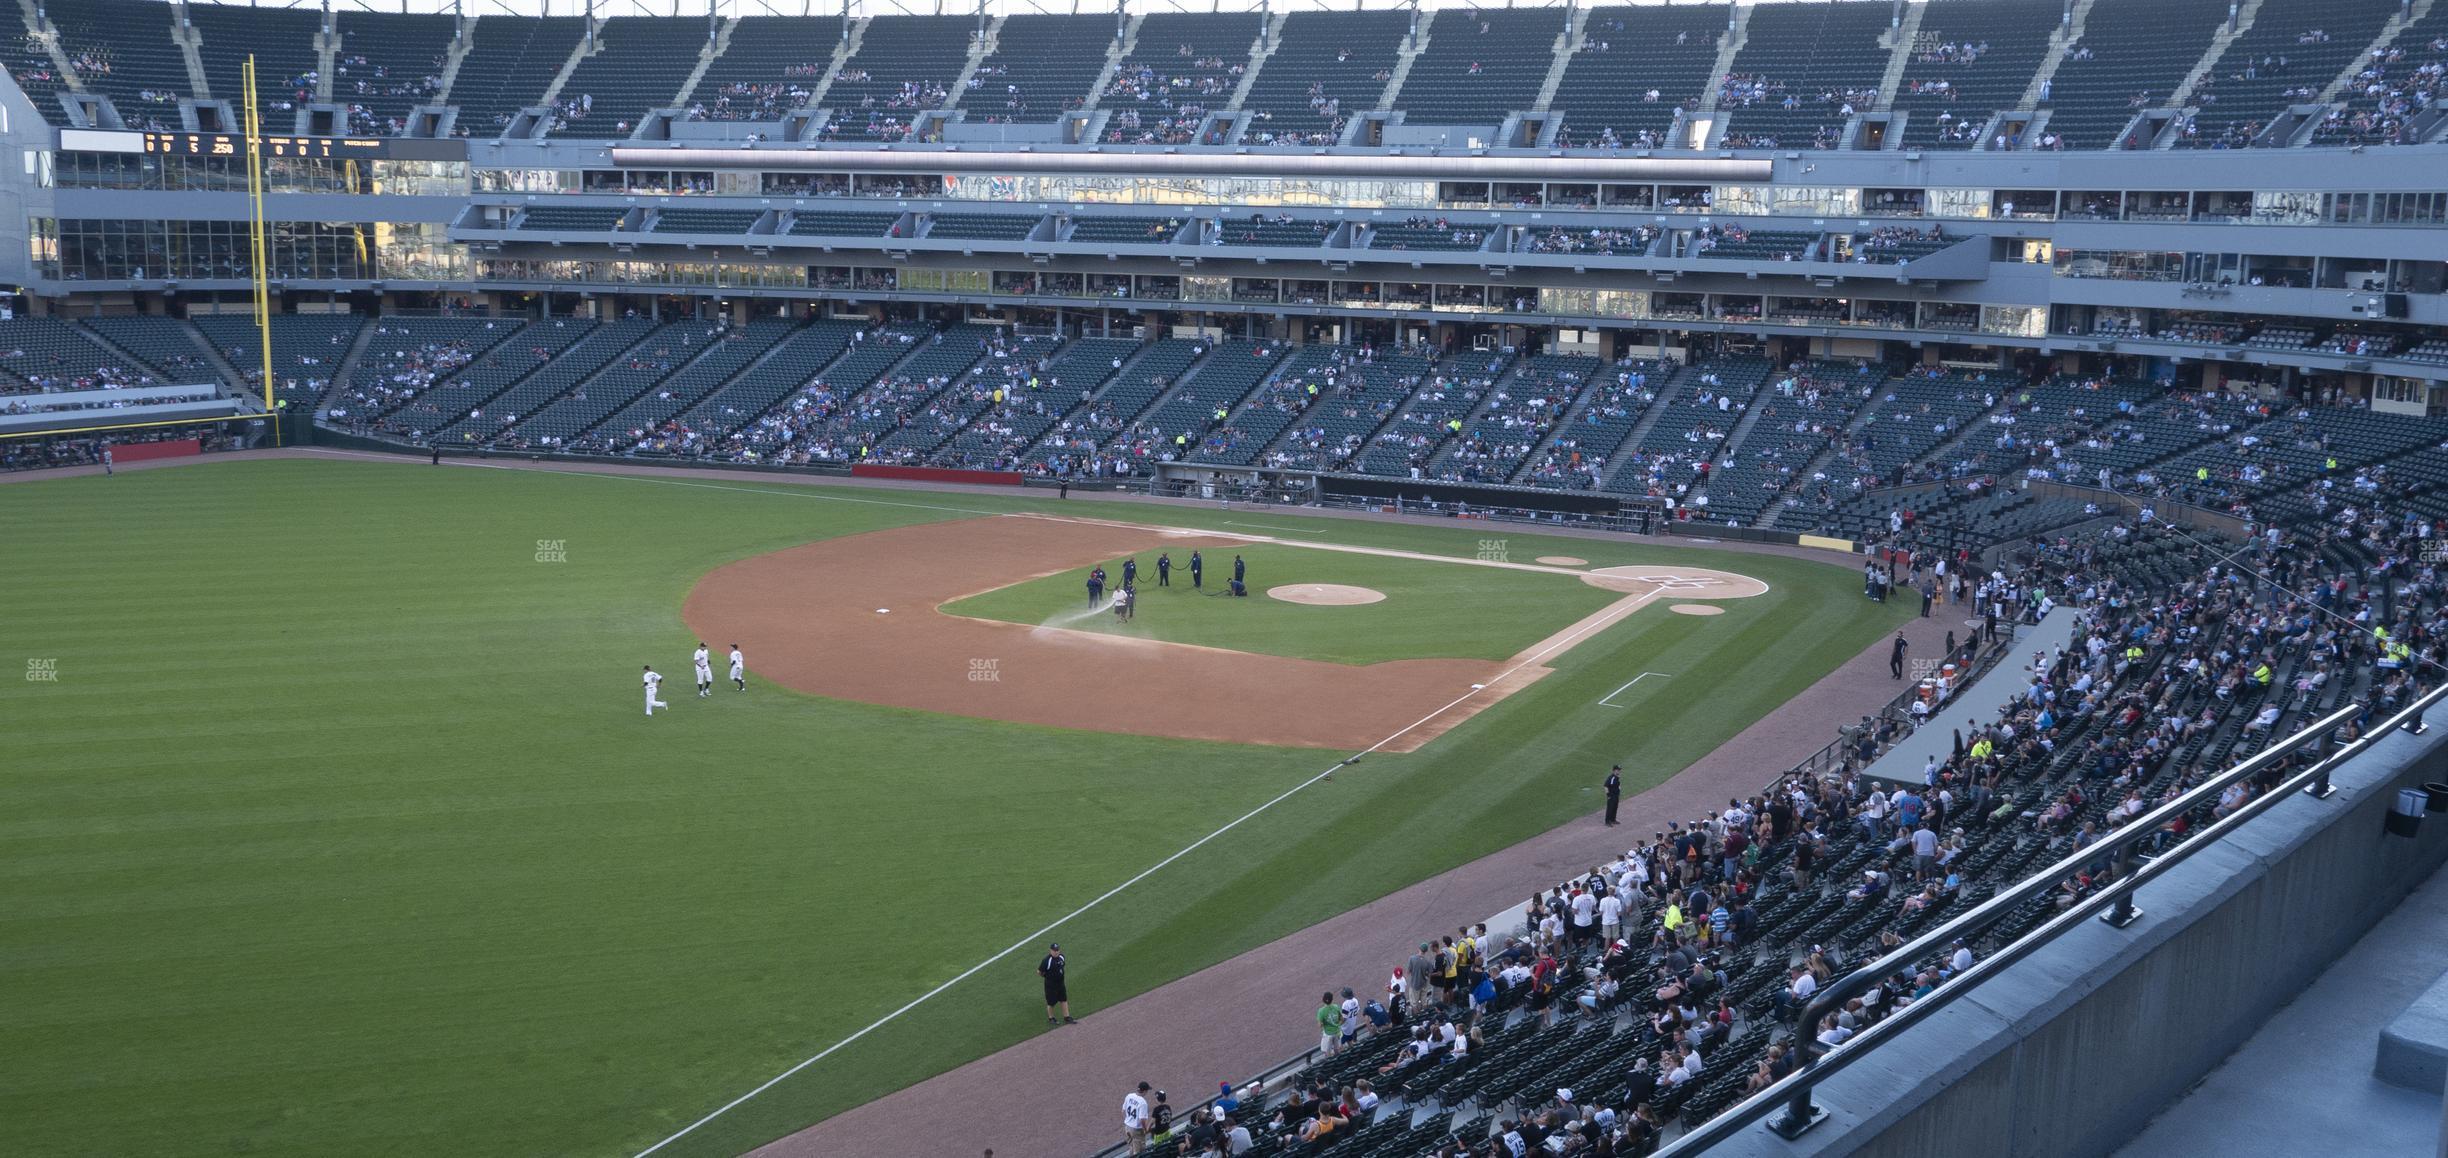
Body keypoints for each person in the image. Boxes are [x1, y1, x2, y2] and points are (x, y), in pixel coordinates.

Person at [1041, 942, 1075, 1025]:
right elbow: (1039, 971)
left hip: (1060, 983)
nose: (1056, 952)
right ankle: (1051, 1018)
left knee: (1063, 999)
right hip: (1051, 985)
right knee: (1051, 1002)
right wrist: (1046, 976)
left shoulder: (1061, 957)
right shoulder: (1046, 961)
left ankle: (1067, 1017)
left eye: (1057, 950)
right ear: (1050, 951)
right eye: (1054, 950)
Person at [1122, 1081, 1153, 1155]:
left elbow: (1123, 1110)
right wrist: (1145, 1130)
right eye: (1147, 1091)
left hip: (1127, 1127)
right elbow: (1142, 1119)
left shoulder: (1129, 1096)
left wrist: (1127, 1121)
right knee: (1139, 1152)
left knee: (1132, 1147)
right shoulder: (1143, 1102)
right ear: (1145, 1091)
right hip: (1136, 1130)